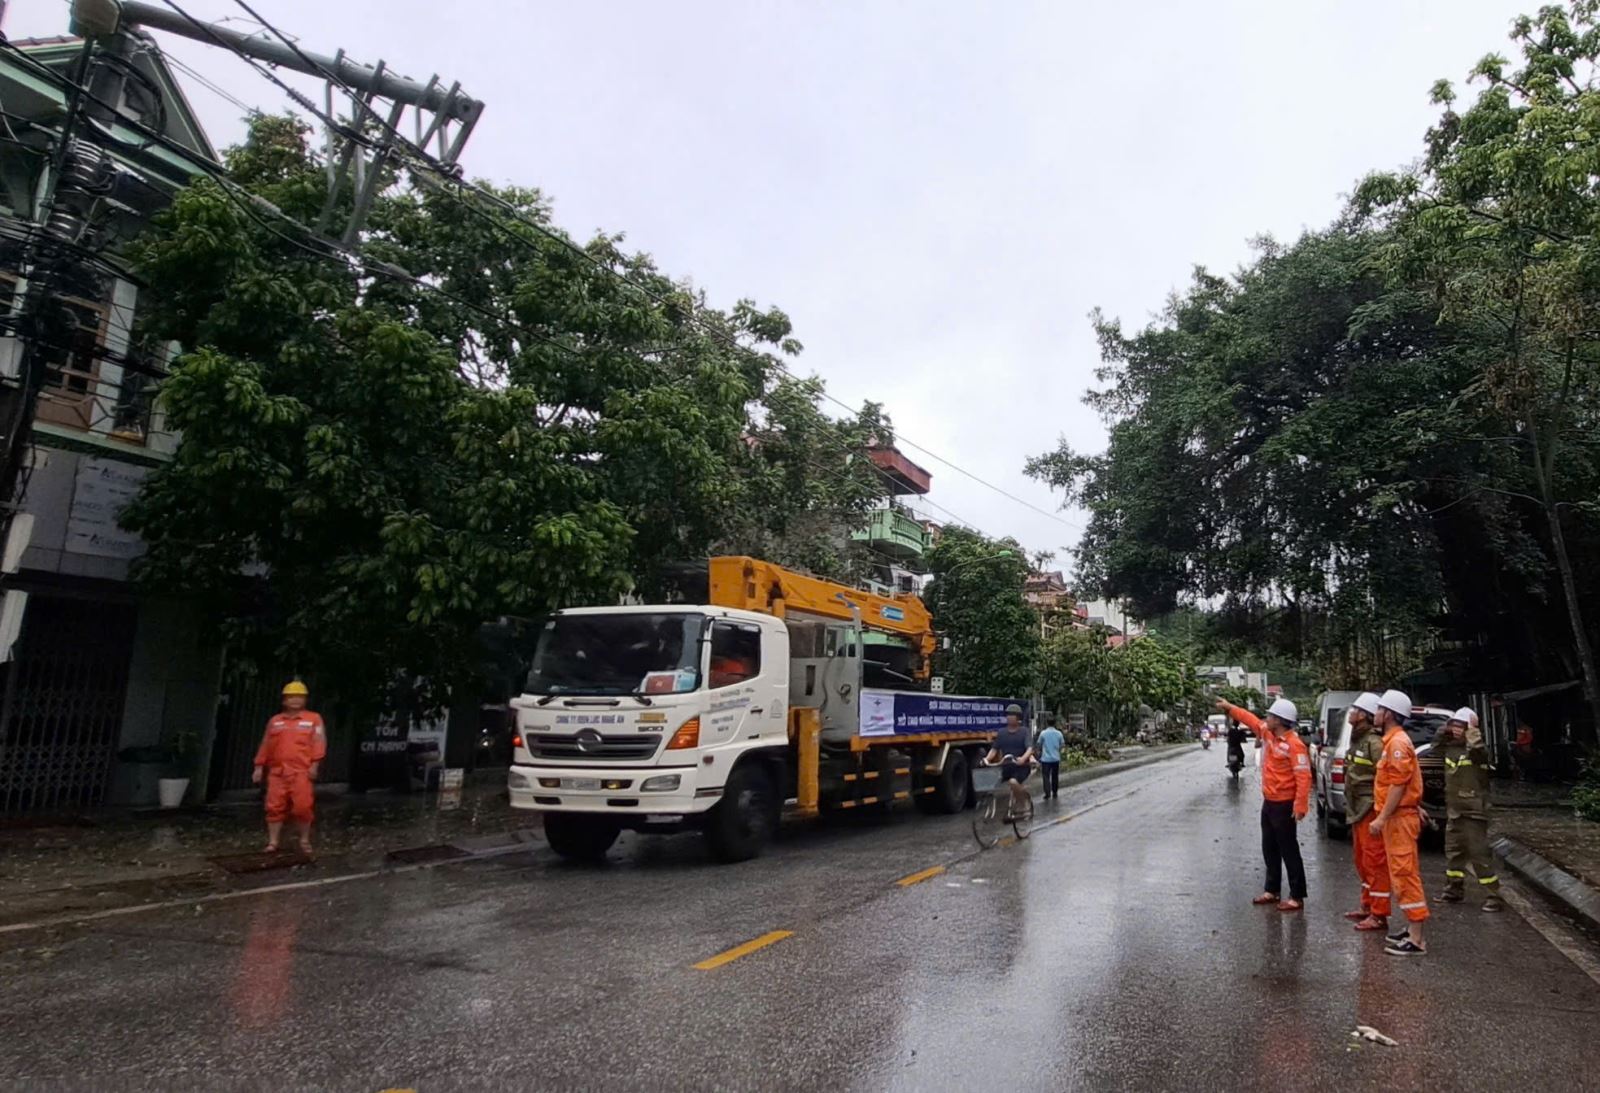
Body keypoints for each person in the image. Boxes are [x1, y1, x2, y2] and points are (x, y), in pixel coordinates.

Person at [1215, 696, 1312, 911]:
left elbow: (1303, 777)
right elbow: (1250, 719)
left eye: (1270, 715)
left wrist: (1300, 806)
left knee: (1289, 850)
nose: (1266, 718)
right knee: (1269, 848)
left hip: (1285, 805)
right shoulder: (1267, 734)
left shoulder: (1294, 746)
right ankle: (1272, 890)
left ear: (1279, 720)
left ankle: (1297, 895)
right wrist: (1231, 708)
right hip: (1269, 802)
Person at [1370, 688, 1428, 956]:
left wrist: (1381, 818)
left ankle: (1417, 939)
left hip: (1397, 819)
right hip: (1399, 816)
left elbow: (1398, 784)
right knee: (1400, 873)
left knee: (1405, 874)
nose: (1376, 713)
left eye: (1380, 709)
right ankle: (1411, 929)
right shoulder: (1393, 741)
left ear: (1390, 714)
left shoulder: (1396, 744)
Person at [1437, 707, 1503, 912]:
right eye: (1454, 725)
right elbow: (1435, 745)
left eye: (1460, 726)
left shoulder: (1478, 751)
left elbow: (1477, 749)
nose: (1457, 730)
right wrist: (1445, 729)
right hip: (1455, 810)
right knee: (1453, 853)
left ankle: (1493, 896)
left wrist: (1472, 730)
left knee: (1479, 855)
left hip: (1474, 812)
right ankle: (1453, 890)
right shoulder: (1450, 749)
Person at [253, 680, 327, 855]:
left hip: (301, 772)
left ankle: (304, 839)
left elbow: (319, 742)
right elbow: (265, 744)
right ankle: (273, 842)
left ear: (305, 700)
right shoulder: (275, 721)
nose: (295, 700)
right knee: (273, 807)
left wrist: (315, 765)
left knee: (302, 807)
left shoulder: (313, 719)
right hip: (277, 772)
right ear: (284, 700)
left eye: (299, 697)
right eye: (291, 697)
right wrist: (258, 766)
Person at [1342, 692, 1390, 932]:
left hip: (1369, 809)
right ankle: (1367, 905)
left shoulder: (1374, 743)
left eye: (1355, 710)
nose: (1351, 714)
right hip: (1357, 809)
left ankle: (1379, 914)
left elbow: (1387, 778)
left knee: (1375, 862)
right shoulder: (1358, 740)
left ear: (1364, 716)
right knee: (1362, 861)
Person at [985, 704, 1035, 815]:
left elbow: (1029, 748)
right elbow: (994, 749)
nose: (1009, 717)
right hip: (1006, 766)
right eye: (1008, 715)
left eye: (1012, 715)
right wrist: (986, 759)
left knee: (1013, 782)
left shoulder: (1024, 732)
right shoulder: (1002, 733)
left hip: (1021, 767)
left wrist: (1023, 758)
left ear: (1018, 718)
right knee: (988, 781)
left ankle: (1023, 802)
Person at [1037, 720, 1065, 800]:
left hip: (1045, 759)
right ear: (1055, 723)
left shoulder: (1043, 733)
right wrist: (1058, 751)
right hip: (1056, 758)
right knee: (1055, 776)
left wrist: (1039, 753)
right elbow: (1062, 745)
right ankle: (1055, 792)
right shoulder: (1059, 733)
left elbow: (1039, 744)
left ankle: (1047, 793)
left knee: (1046, 776)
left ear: (1047, 723)